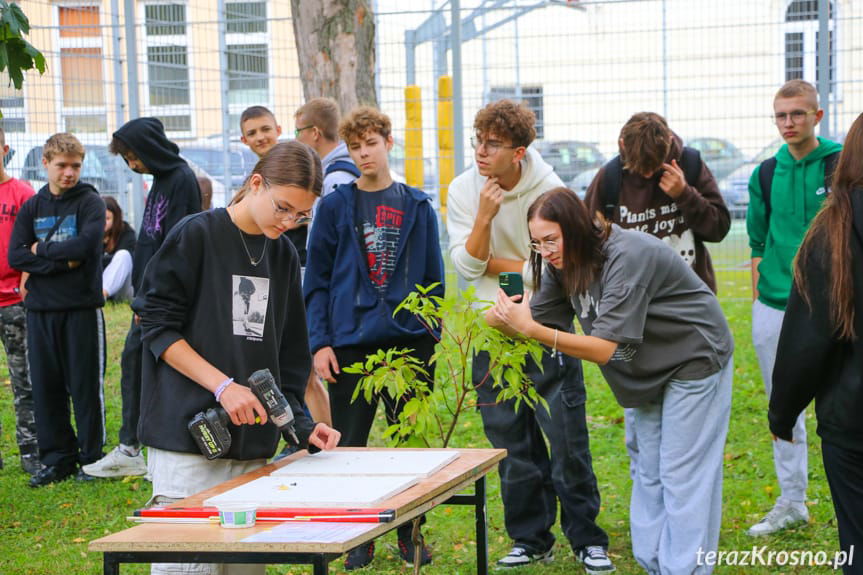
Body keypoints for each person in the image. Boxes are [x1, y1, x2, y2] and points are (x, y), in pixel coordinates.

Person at [487, 187, 734, 575]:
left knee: (682, 472)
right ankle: (655, 563)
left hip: (693, 357)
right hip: (646, 368)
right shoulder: (559, 264)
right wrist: (500, 316)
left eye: (551, 239)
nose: (545, 252)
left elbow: (602, 348)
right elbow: (535, 318)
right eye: (536, 244)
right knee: (648, 468)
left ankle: (684, 569)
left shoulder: (627, 255)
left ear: (577, 227)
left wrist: (530, 329)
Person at [134, 141, 341, 575]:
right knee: (188, 567)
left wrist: (302, 427)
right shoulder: (197, 234)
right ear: (256, 183)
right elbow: (155, 326)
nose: (288, 222)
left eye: (300, 216)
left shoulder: (283, 254)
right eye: (283, 208)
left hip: (252, 450)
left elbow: (287, 361)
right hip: (187, 444)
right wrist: (223, 387)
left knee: (244, 569)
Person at [447, 99, 613, 573]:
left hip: (546, 327)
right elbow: (465, 265)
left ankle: (586, 538)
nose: (480, 152)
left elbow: (559, 258)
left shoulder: (551, 189)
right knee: (511, 445)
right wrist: (483, 217)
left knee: (566, 440)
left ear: (519, 151)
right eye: (477, 141)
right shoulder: (464, 189)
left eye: (493, 144)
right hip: (492, 331)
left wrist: (508, 267)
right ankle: (529, 538)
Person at [304, 106, 444, 571]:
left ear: (389, 142)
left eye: (372, 143)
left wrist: (430, 336)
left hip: (408, 344)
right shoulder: (334, 206)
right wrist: (320, 342)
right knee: (351, 446)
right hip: (351, 344)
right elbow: (317, 279)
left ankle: (410, 532)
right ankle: (358, 533)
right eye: (356, 146)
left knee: (409, 442)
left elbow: (433, 280)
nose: (364, 153)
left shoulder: (418, 205)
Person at [585, 111, 730, 482]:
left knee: (685, 433)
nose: (648, 176)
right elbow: (588, 240)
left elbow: (718, 228)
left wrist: (685, 194)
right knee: (642, 426)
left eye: (655, 167)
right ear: (621, 149)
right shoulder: (611, 178)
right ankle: (648, 483)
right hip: (634, 318)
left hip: (686, 319)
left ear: (668, 147)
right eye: (641, 169)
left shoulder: (690, 165)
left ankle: (678, 487)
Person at [745, 79, 843, 536]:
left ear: (817, 116)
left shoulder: (842, 164)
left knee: (843, 402)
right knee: (783, 404)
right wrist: (761, 302)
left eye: (798, 114)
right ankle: (792, 501)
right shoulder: (765, 172)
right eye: (781, 115)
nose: (789, 123)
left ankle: (848, 495)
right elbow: (758, 243)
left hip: (835, 306)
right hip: (775, 307)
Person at [770, 112, 863, 575]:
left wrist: (782, 413)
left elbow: (806, 342)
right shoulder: (831, 233)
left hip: (852, 419)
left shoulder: (832, 232)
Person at [83, 117, 201, 479]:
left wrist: (152, 299)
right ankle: (134, 447)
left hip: (161, 300)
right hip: (147, 297)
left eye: (134, 156)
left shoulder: (181, 180)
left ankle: (141, 449)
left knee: (151, 368)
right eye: (127, 159)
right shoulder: (161, 182)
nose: (132, 165)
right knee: (136, 366)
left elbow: (178, 246)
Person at [8, 133, 107, 487]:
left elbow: (87, 245)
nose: (69, 173)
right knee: (46, 388)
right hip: (40, 311)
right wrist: (60, 262)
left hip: (80, 308)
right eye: (62, 165)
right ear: (46, 163)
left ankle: (91, 458)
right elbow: (15, 255)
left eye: (75, 166)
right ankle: (57, 459)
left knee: (84, 388)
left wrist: (39, 253)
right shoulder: (34, 206)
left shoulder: (90, 202)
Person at [240, 104, 333, 430]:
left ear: (279, 129)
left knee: (303, 372)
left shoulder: (298, 174)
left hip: (290, 275)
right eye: (252, 132)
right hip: (258, 282)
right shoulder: (257, 187)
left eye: (265, 129)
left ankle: (320, 438)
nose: (260, 136)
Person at [0, 126, 39, 476]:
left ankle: (31, 450)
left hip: (13, 302)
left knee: (23, 380)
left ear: (5, 149)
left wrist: (26, 280)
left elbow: (34, 245)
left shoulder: (23, 194)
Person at [294, 97, 360, 198]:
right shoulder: (351, 162)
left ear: (315, 133)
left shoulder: (335, 181)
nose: (296, 139)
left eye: (298, 131)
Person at [101, 196, 135, 302]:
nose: (103, 222)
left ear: (115, 218)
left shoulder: (126, 232)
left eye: (107, 219)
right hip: (95, 284)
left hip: (122, 288)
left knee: (123, 255)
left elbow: (127, 261)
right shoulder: (90, 233)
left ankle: (102, 295)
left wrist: (101, 260)